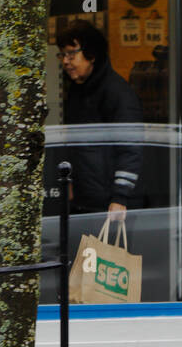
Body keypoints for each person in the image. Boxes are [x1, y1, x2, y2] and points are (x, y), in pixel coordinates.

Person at [56, 20, 143, 220]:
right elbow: (73, 142)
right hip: (85, 200)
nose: (65, 61)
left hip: (110, 206)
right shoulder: (78, 90)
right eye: (62, 54)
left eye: (71, 54)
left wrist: (120, 198)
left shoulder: (118, 94)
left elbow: (130, 149)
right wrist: (69, 183)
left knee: (107, 252)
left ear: (92, 55)